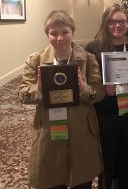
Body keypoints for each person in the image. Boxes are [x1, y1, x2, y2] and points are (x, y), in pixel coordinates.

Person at [19, 10, 105, 189]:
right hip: (49, 130)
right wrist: (39, 89)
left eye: (65, 32)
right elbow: (23, 94)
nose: (60, 38)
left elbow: (99, 92)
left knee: (81, 180)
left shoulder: (88, 60)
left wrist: (84, 88)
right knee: (51, 178)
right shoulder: (35, 62)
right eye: (54, 33)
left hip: (81, 130)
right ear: (47, 34)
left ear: (73, 32)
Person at [85, 3, 128, 189]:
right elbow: (88, 82)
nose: (117, 26)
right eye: (112, 22)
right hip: (106, 113)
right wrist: (104, 89)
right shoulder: (93, 47)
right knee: (107, 158)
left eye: (122, 22)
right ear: (105, 23)